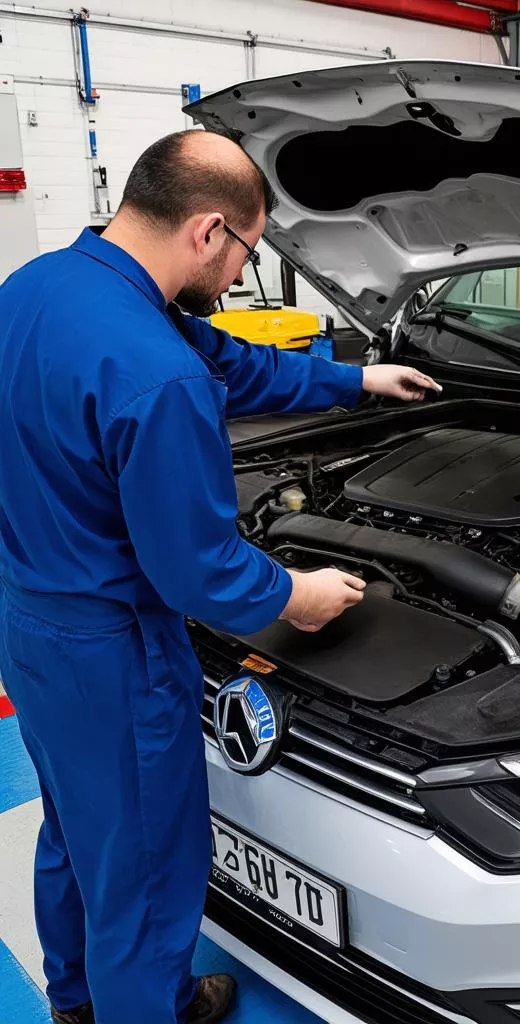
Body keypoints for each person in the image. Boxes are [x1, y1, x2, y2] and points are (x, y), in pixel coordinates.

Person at [0, 129, 440, 1024]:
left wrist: (355, 381)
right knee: (144, 871)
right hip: (113, 652)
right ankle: (149, 1008)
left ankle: (75, 1000)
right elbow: (199, 571)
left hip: (27, 625)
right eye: (246, 251)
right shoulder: (156, 375)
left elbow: (232, 359)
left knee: (79, 829)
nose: (241, 275)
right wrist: (298, 595)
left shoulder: (36, 288)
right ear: (207, 230)